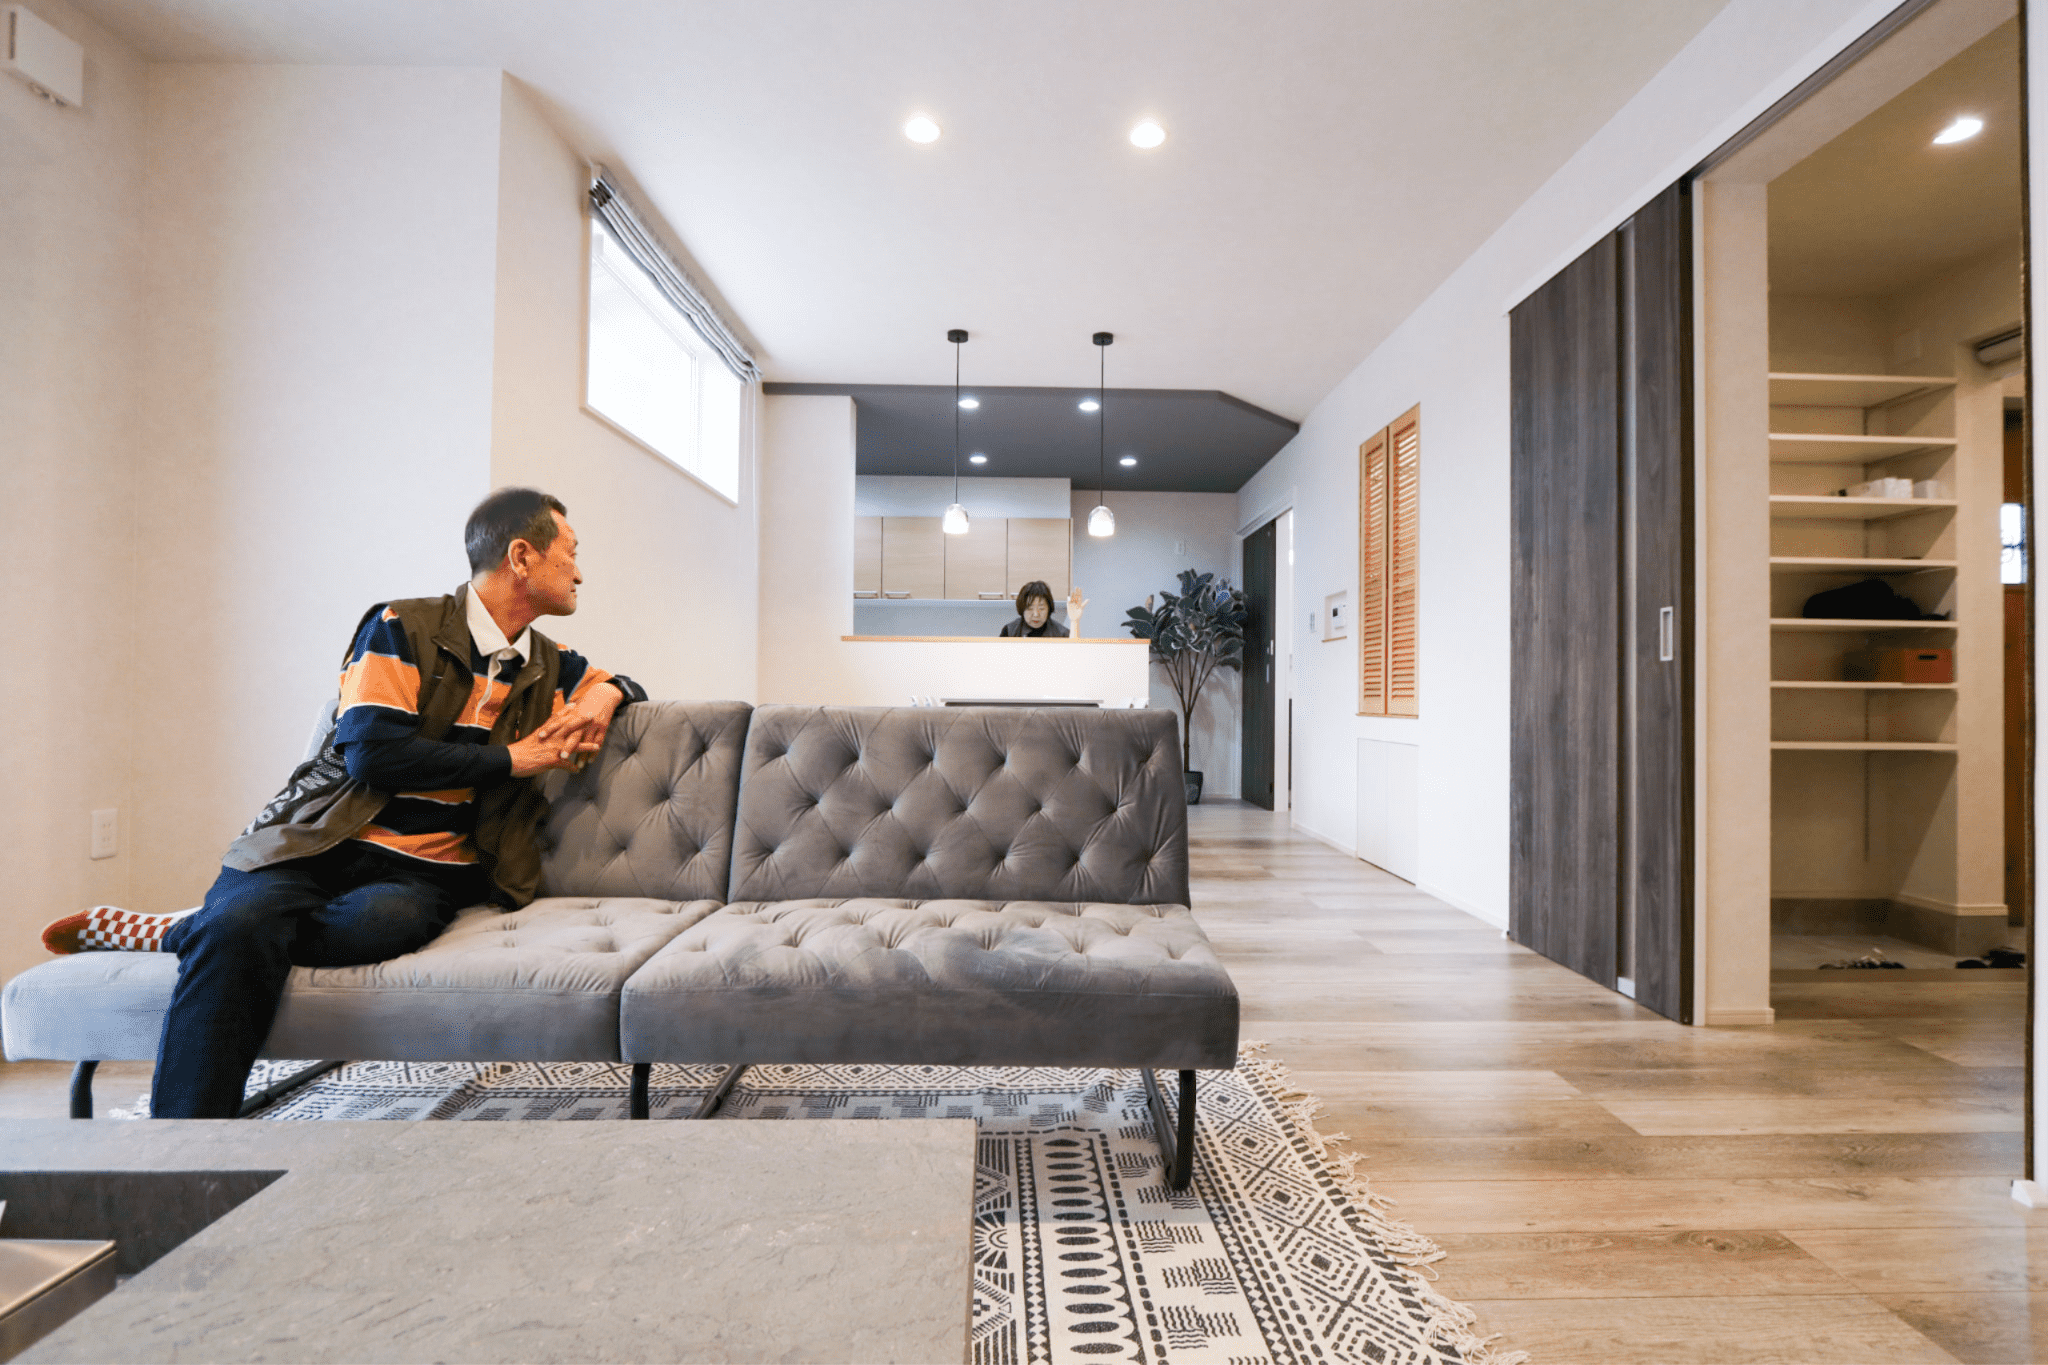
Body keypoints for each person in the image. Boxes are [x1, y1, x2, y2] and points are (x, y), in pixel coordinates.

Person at [39, 488, 646, 1118]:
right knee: (239, 929)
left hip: (424, 870)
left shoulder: (548, 663)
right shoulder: (400, 626)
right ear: (521, 557)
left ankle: (181, 928)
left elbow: (623, 685)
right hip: (316, 839)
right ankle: (179, 1150)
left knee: (354, 929)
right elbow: (374, 754)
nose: (579, 572)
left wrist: (606, 696)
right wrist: (513, 760)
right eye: (571, 552)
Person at [1000, 581, 1087, 637]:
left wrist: (1075, 621)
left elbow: (1074, 654)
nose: (1036, 614)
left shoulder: (1061, 633)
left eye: (1041, 608)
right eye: (1030, 608)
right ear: (1022, 609)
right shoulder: (1009, 631)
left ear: (1049, 608)